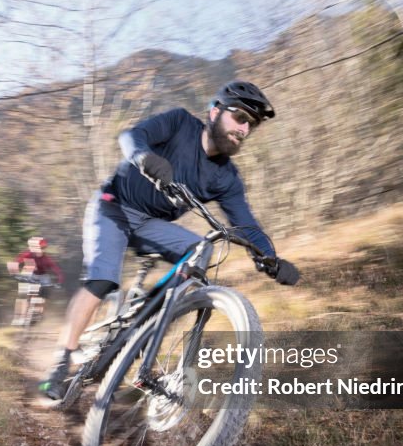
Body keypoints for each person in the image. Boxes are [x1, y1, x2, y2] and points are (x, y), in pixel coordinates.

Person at [38, 80, 301, 399]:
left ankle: (145, 333)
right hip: (114, 207)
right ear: (215, 111)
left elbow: (246, 224)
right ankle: (61, 362)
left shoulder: (227, 177)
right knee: (103, 279)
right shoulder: (179, 123)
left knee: (200, 251)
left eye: (252, 125)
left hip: (150, 224)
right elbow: (131, 136)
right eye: (241, 118)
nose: (245, 129)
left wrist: (271, 258)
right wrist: (144, 157)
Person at [7, 236, 64, 325]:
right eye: (32, 247)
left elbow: (57, 270)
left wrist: (59, 282)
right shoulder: (28, 255)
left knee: (43, 293)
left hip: (43, 276)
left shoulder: (46, 259)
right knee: (23, 293)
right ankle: (20, 316)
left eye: (41, 248)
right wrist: (14, 273)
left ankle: (38, 313)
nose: (37, 250)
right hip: (30, 273)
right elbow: (16, 262)